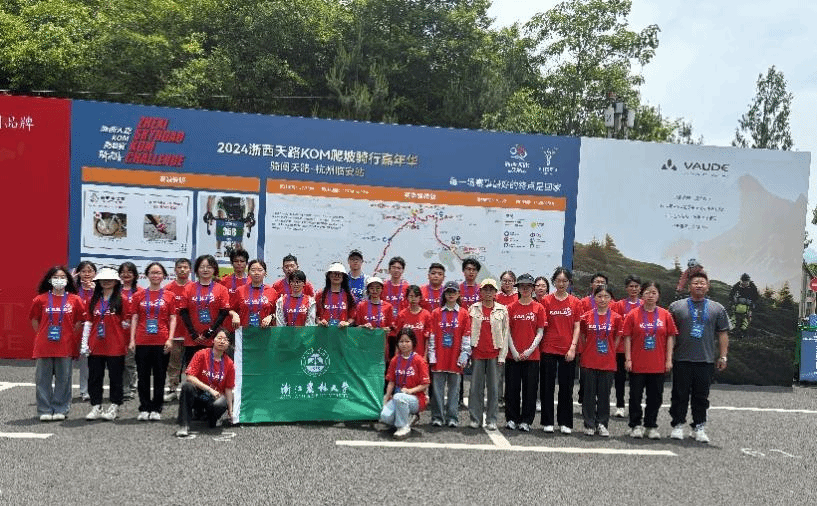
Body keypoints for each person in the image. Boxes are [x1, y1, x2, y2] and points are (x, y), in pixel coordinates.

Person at [668, 271, 730, 443]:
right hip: (681, 359)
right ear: (689, 286)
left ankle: (699, 427)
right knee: (679, 395)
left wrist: (723, 357)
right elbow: (669, 334)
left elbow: (723, 334)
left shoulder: (717, 308)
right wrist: (668, 356)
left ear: (708, 287)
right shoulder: (676, 307)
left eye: (702, 283)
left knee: (701, 396)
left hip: (706, 360)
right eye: (695, 283)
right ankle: (677, 425)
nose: (699, 285)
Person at [29, 266, 85, 421]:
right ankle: (44, 410)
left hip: (65, 345)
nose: (59, 280)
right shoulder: (40, 299)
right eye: (55, 277)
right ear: (49, 280)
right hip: (44, 346)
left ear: (68, 280)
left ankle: (61, 408)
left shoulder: (75, 299)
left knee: (64, 379)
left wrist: (69, 334)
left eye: (62, 277)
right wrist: (42, 334)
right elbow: (35, 320)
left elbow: (79, 321)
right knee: (43, 380)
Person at [623, 281, 677, 439]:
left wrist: (669, 359)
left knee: (655, 397)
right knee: (635, 397)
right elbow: (627, 338)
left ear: (658, 295)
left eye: (654, 293)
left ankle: (650, 426)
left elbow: (670, 337)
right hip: (638, 363)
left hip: (658, 364)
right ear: (642, 295)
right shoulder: (633, 314)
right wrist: (628, 359)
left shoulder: (665, 315)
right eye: (647, 292)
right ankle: (635, 425)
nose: (650, 296)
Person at [130, 262, 177, 421]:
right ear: (147, 275)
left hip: (161, 341)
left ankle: (157, 408)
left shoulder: (169, 295)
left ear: (163, 276)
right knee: (142, 376)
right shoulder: (139, 295)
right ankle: (144, 407)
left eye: (158, 273)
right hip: (142, 341)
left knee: (159, 376)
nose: (155, 275)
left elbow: (173, 318)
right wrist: (132, 340)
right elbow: (135, 317)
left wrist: (170, 339)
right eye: (152, 272)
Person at [539, 267, 582, 434]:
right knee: (547, 387)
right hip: (548, 348)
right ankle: (547, 421)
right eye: (558, 281)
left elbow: (577, 326)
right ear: (554, 282)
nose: (562, 284)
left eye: (565, 281)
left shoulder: (575, 302)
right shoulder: (546, 301)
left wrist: (573, 347)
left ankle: (565, 422)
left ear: (569, 282)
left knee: (566, 387)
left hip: (568, 349)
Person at [81, 267, 126, 421]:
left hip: (116, 347)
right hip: (96, 346)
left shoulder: (122, 299)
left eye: (109, 279)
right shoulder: (92, 300)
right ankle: (96, 406)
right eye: (103, 280)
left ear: (116, 282)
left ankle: (114, 406)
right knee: (94, 378)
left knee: (116, 378)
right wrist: (84, 343)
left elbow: (127, 323)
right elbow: (88, 322)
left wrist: (126, 341)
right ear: (98, 281)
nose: (106, 282)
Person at [578, 285, 623, 437]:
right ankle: (589, 424)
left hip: (607, 362)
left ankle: (602, 424)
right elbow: (582, 336)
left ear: (611, 299)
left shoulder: (616, 318)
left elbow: (617, 338)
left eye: (606, 296)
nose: (602, 299)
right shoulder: (586, 317)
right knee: (589, 395)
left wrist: (609, 350)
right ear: (594, 298)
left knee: (604, 396)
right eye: (599, 296)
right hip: (589, 360)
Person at [467, 279, 510, 430]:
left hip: (494, 354)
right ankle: (475, 419)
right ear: (480, 292)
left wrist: (502, 356)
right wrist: (467, 353)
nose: (488, 292)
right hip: (477, 354)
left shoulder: (502, 310)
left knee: (494, 390)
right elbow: (468, 332)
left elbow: (505, 334)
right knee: (475, 389)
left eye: (491, 290)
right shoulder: (473, 309)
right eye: (485, 289)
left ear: (496, 292)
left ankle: (491, 420)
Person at [505, 274, 546, 432]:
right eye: (522, 286)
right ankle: (511, 419)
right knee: (512, 389)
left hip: (532, 356)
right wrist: (514, 351)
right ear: (518, 288)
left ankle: (526, 421)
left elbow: (540, 332)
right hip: (513, 356)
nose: (525, 289)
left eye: (528, 286)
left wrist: (529, 351)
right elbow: (507, 331)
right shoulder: (511, 307)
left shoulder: (538, 308)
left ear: (533, 289)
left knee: (530, 390)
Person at [176, 330, 235, 437]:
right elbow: (189, 377)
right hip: (199, 394)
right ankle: (183, 425)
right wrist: (209, 389)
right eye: (219, 338)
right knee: (187, 387)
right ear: (213, 340)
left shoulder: (229, 363)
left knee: (221, 402)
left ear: (228, 344)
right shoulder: (201, 354)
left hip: (214, 398)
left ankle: (211, 418)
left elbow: (228, 388)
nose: (222, 341)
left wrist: (230, 411)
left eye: (225, 340)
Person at [427, 281, 470, 427]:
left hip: (455, 358)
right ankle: (437, 417)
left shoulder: (464, 314)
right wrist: (432, 355)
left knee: (454, 390)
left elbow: (466, 335)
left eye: (454, 292)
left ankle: (452, 417)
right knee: (437, 390)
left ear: (458, 294)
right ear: (444, 294)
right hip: (439, 357)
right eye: (448, 292)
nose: (451, 294)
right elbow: (432, 335)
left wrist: (464, 354)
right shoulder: (436, 313)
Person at [179, 255, 231, 369]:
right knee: (192, 371)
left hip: (213, 340)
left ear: (214, 269)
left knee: (211, 371)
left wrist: (210, 332)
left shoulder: (221, 289)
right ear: (197, 269)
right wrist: (193, 333)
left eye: (209, 267)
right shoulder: (188, 288)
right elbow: (183, 312)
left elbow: (223, 313)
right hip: (192, 340)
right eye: (202, 267)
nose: (205, 270)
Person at [380, 328, 431, 438]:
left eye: (407, 341)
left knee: (399, 397)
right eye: (401, 341)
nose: (404, 344)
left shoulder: (419, 360)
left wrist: (410, 391)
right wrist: (386, 398)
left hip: (416, 399)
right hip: (399, 397)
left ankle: (403, 427)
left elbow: (425, 384)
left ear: (413, 343)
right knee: (385, 416)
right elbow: (391, 382)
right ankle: (409, 418)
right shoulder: (395, 360)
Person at [611, 274, 643, 418]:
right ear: (626, 288)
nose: (634, 289)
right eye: (631, 286)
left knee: (637, 381)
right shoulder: (618, 305)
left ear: (640, 288)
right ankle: (620, 406)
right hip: (620, 349)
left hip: (638, 350)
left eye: (636, 286)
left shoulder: (644, 304)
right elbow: (614, 325)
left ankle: (635, 407)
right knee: (619, 379)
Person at [164, 258, 191, 402]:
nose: (182, 270)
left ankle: (192, 391)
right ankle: (172, 389)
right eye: (179, 267)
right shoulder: (167, 289)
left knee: (192, 365)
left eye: (185, 267)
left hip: (192, 335)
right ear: (175, 269)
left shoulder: (194, 287)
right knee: (173, 365)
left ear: (190, 270)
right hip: (174, 334)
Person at [229, 259, 278, 329]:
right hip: (245, 331)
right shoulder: (240, 290)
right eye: (253, 270)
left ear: (265, 273)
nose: (256, 273)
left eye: (260, 270)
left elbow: (277, 313)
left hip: (265, 331)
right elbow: (230, 309)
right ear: (248, 273)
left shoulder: (272, 292)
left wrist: (270, 317)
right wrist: (234, 315)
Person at [119, 261, 143, 399]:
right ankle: (121, 387)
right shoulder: (115, 290)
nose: (126, 274)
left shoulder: (140, 291)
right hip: (117, 333)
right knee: (118, 362)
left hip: (134, 333)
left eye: (129, 272)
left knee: (130, 362)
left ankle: (131, 388)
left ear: (135, 275)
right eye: (123, 272)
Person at [74, 260, 96, 401]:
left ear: (95, 273)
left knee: (95, 362)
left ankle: (93, 389)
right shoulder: (74, 290)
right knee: (83, 361)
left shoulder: (100, 289)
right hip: (79, 329)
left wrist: (95, 290)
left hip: (96, 329)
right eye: (83, 271)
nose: (87, 274)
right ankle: (83, 390)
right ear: (79, 274)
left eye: (90, 271)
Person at [394, 285, 433, 359]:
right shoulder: (402, 314)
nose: (414, 299)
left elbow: (427, 339)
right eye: (411, 296)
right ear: (407, 297)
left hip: (420, 355)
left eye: (416, 296)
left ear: (420, 297)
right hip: (404, 355)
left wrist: (425, 356)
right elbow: (398, 337)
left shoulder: (426, 314)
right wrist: (396, 355)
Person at [315, 262, 356, 328]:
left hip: (342, 331)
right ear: (329, 276)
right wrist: (320, 322)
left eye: (339, 274)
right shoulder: (320, 294)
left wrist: (347, 323)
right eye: (334, 274)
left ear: (343, 277)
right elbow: (314, 314)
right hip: (324, 331)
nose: (336, 276)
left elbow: (353, 316)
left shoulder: (349, 295)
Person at [728, 273, 759, 339]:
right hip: (737, 304)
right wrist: (731, 303)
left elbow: (755, 298)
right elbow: (731, 295)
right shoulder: (736, 286)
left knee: (746, 318)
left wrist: (752, 307)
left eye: (746, 283)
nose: (744, 284)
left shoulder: (753, 287)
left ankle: (743, 331)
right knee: (733, 316)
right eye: (743, 283)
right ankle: (732, 329)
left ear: (748, 281)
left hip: (747, 305)